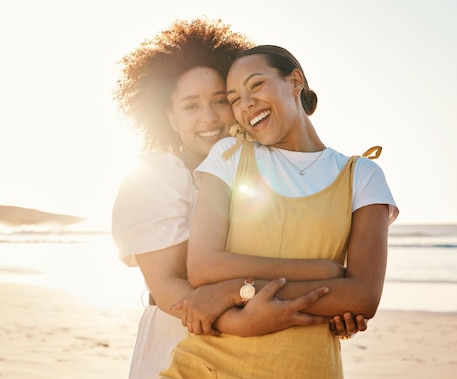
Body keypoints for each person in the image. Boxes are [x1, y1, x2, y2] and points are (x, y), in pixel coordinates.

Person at [111, 20, 367, 379]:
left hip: (262, 349)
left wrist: (329, 305)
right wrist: (244, 318)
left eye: (220, 101)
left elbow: (278, 256)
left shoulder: (259, 168)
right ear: (168, 116)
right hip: (181, 333)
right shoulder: (157, 175)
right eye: (190, 106)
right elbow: (167, 285)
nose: (210, 117)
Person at [160, 45, 399, 378]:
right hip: (205, 366)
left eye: (256, 85)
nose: (245, 104)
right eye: (234, 99)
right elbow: (203, 266)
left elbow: (363, 297)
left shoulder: (362, 176)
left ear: (295, 81)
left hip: (305, 367)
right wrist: (324, 272)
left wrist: (234, 290)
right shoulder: (229, 155)